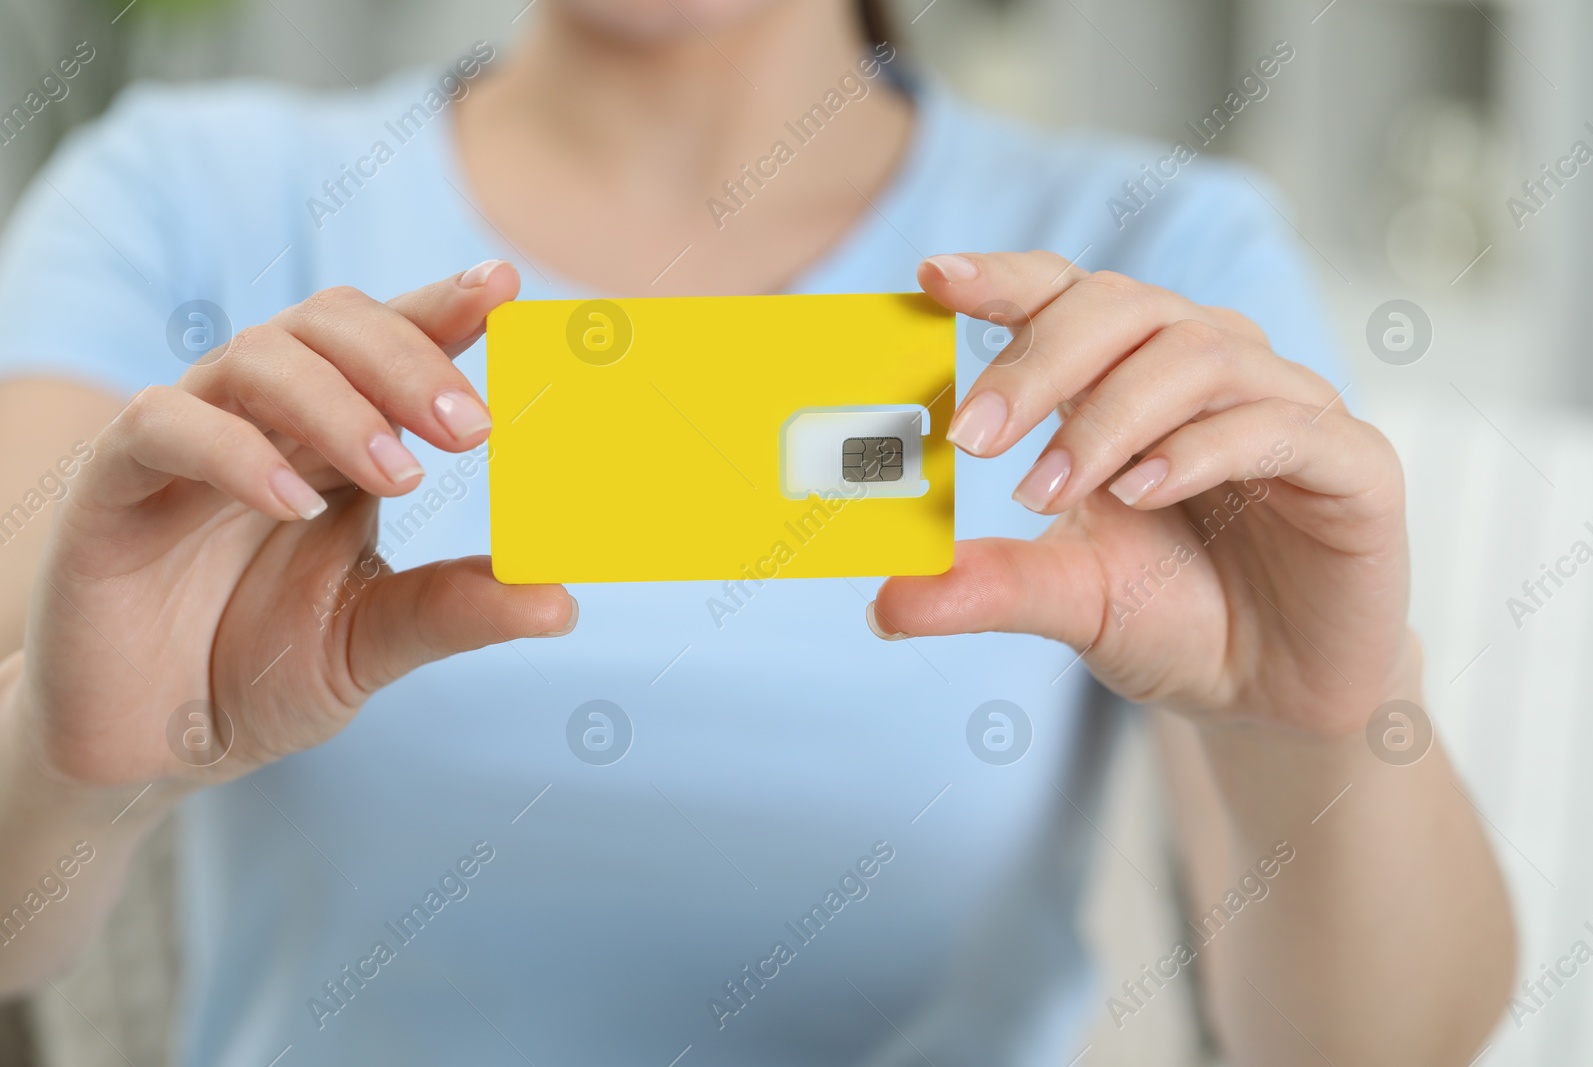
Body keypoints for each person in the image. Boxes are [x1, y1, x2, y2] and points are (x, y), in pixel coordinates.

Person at [0, 0, 1512, 1064]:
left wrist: (1322, 729)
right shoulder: (181, 197)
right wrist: (65, 762)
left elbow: (1375, 1055)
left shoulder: (1151, 262)